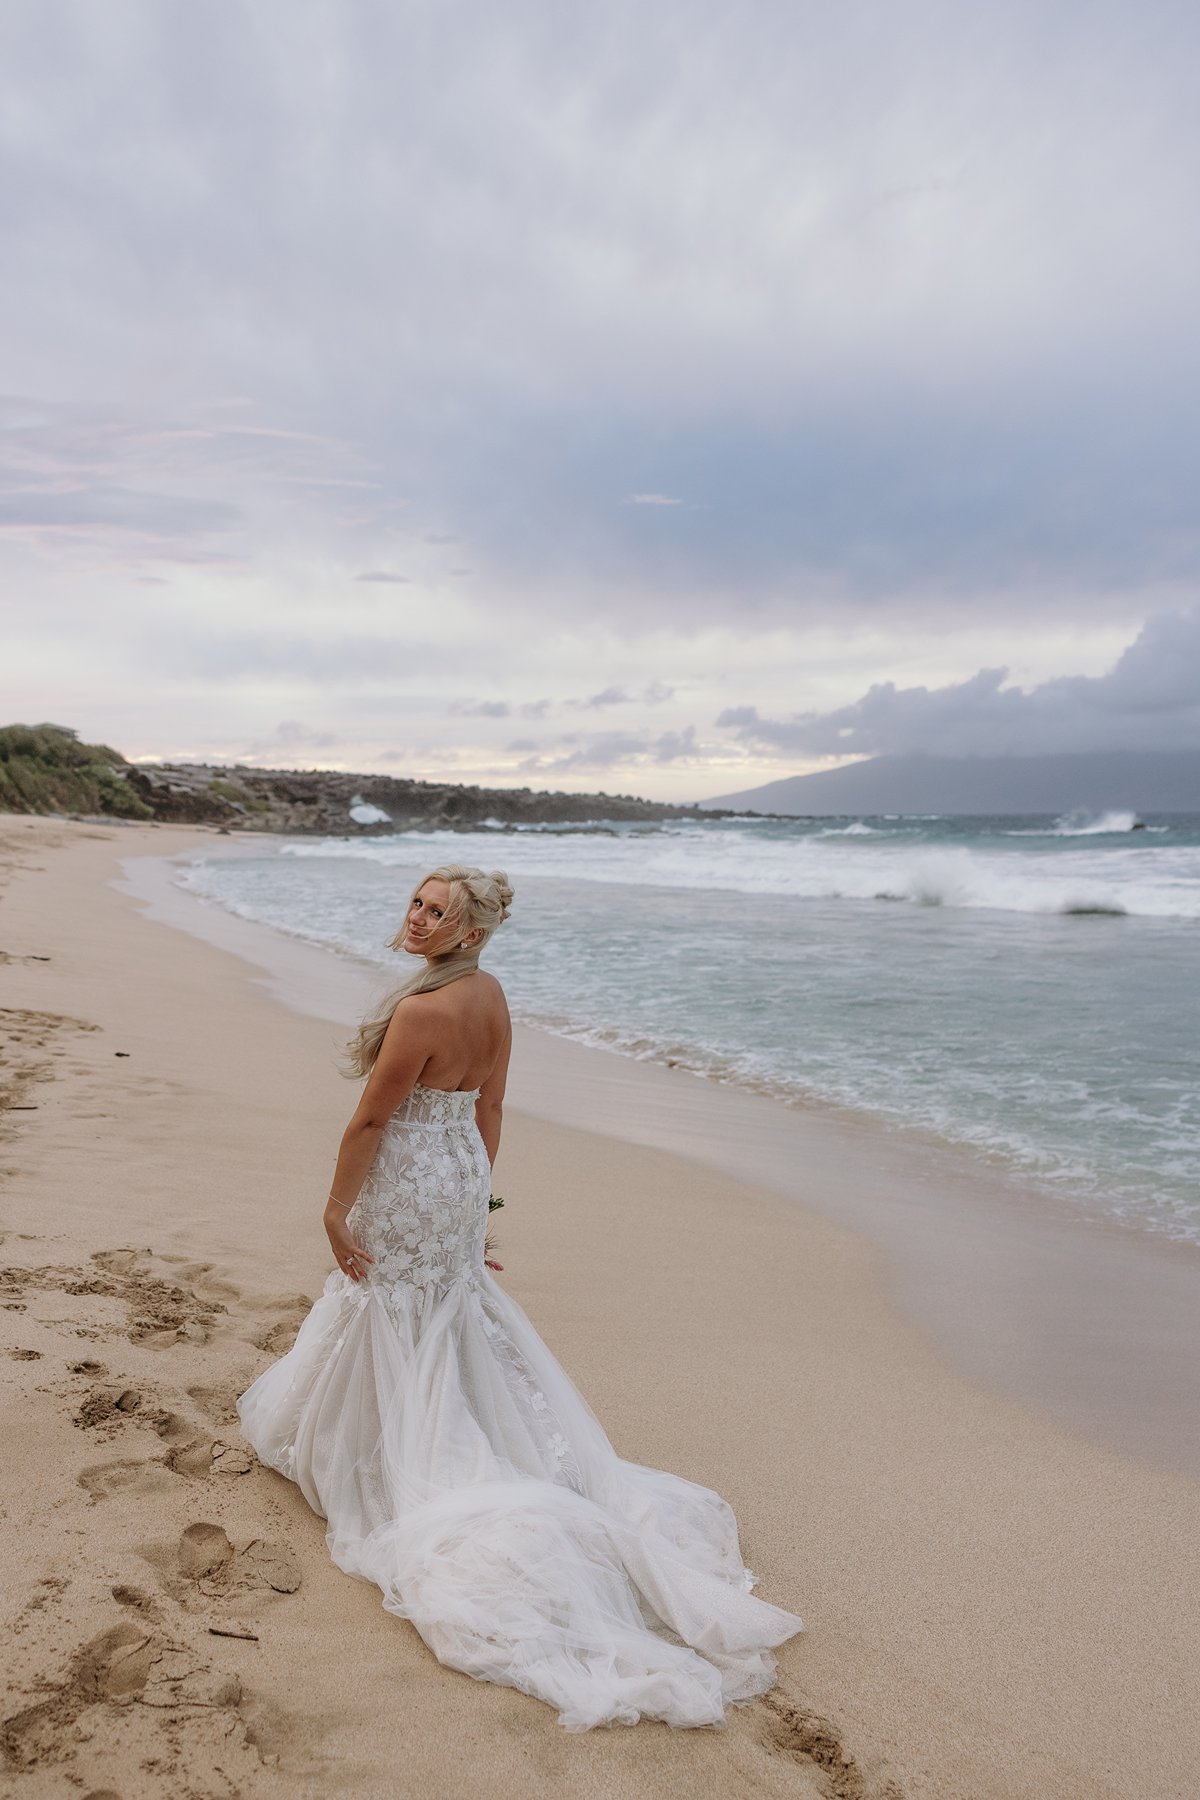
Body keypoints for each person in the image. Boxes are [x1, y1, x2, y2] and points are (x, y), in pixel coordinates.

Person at [237, 864, 803, 1731]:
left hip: (412, 1171)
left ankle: (396, 1450)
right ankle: (441, 1421)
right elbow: (490, 1106)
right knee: (441, 1304)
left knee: (387, 1299)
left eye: (439, 913)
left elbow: (371, 1120)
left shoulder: (426, 1010)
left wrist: (334, 1207)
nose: (419, 919)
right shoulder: (491, 995)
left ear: (471, 932)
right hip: (458, 1169)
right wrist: (475, 1205)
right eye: (417, 903)